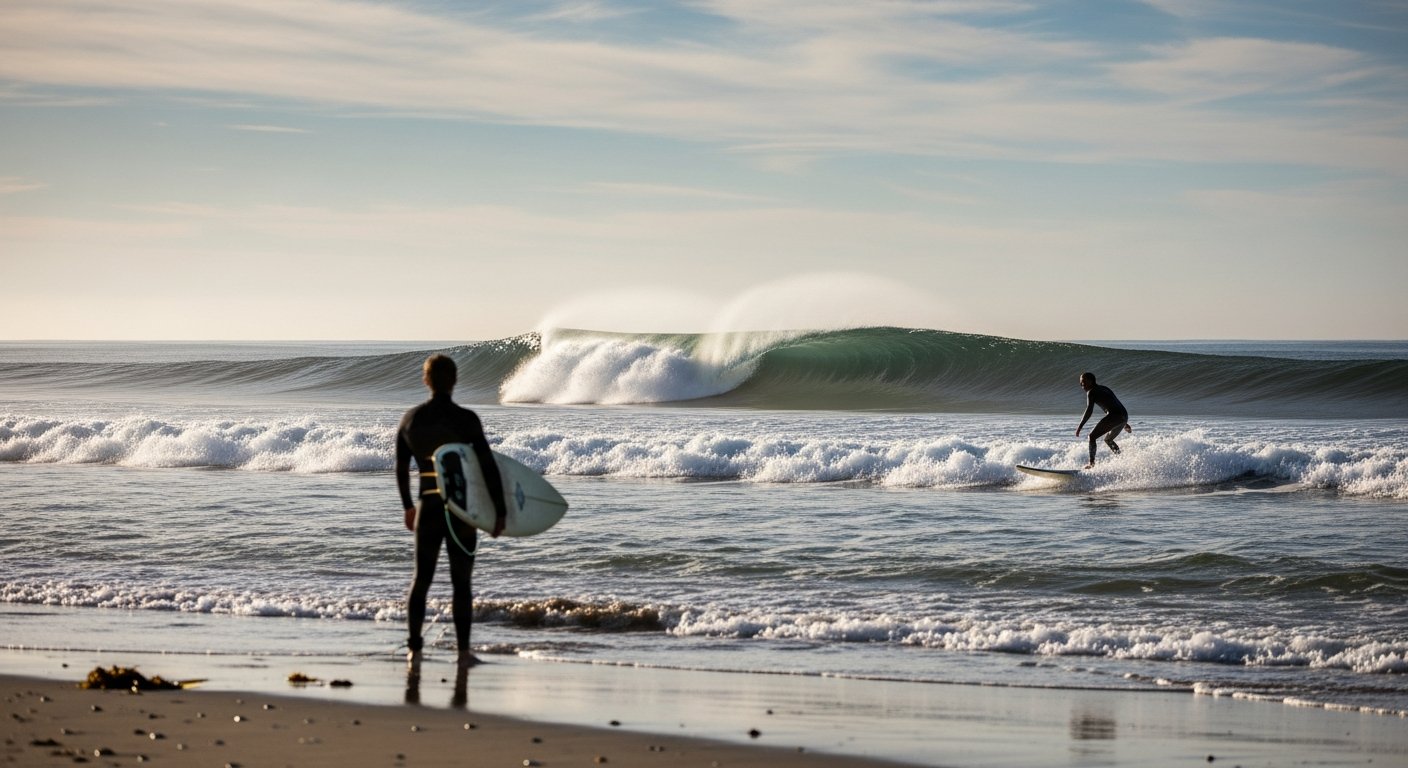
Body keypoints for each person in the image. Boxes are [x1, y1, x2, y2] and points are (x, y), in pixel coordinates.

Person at [396, 354, 507, 669]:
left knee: (421, 580)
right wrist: (498, 512)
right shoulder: (466, 419)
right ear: (455, 380)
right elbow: (487, 467)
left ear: (426, 380)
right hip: (461, 511)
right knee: (462, 583)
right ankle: (463, 654)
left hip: (428, 508)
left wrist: (408, 506)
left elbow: (401, 468)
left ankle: (414, 651)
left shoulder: (411, 420)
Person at [1075, 371, 1132, 469]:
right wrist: (1124, 422)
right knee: (1108, 440)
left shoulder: (1091, 392)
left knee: (1092, 437)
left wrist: (1080, 426)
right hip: (1123, 415)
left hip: (1115, 416)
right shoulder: (1105, 388)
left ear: (1090, 381)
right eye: (1080, 383)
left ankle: (1091, 464)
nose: (1081, 385)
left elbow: (1089, 410)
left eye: (1083, 382)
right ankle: (1122, 459)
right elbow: (1114, 405)